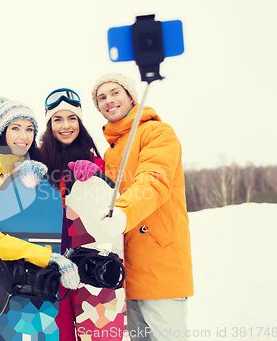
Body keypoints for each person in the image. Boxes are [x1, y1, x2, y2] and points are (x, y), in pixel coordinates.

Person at [0, 97, 80, 339]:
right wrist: (48, 256)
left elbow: (36, 226)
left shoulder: (32, 171)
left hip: (25, 284)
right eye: (15, 128)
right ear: (0, 132)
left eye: (29, 129)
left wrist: (35, 191)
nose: (23, 136)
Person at [90, 72, 194, 341]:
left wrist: (122, 212)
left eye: (115, 92)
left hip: (160, 267)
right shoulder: (111, 151)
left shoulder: (157, 132)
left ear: (131, 96)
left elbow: (154, 181)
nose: (109, 100)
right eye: (101, 97)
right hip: (127, 273)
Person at [39, 88, 105, 340]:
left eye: (72, 118)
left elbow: (108, 210)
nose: (65, 126)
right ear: (49, 124)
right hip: (52, 260)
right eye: (57, 119)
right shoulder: (37, 160)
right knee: (60, 331)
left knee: (94, 329)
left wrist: (98, 177)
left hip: (89, 257)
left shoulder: (95, 162)